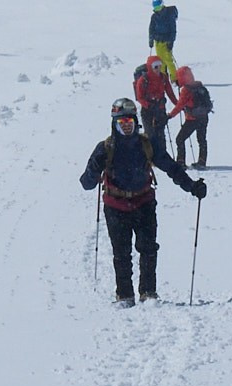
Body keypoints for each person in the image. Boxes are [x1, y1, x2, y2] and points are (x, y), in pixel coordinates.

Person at [80, 97, 206, 304]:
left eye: (130, 122)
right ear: (114, 124)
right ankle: (125, 295)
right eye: (122, 123)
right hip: (115, 207)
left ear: (136, 122)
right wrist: (95, 167)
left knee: (148, 249)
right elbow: (87, 183)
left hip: (144, 203)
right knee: (122, 253)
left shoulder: (147, 144)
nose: (127, 127)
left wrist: (192, 186)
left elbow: (171, 168)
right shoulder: (105, 148)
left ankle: (148, 293)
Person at [132, 54, 177, 155]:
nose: (158, 69)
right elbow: (140, 97)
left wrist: (178, 104)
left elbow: (170, 93)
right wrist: (149, 105)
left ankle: (162, 156)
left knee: (160, 134)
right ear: (150, 67)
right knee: (150, 134)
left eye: (160, 66)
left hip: (160, 109)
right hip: (147, 110)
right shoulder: (143, 80)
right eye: (155, 67)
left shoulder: (163, 77)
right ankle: (150, 157)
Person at [172, 65, 213, 169]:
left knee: (179, 139)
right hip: (204, 117)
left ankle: (181, 162)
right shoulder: (199, 86)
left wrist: (169, 115)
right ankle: (202, 161)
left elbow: (179, 105)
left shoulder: (186, 90)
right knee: (202, 139)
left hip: (192, 119)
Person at [147, 0, 178, 78]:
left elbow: (173, 29)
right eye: (156, 8)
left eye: (159, 7)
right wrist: (151, 39)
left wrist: (171, 42)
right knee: (160, 60)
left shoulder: (169, 15)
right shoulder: (154, 17)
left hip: (167, 41)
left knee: (168, 60)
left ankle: (175, 78)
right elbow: (151, 28)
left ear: (162, 5)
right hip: (157, 41)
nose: (158, 9)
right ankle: (163, 77)